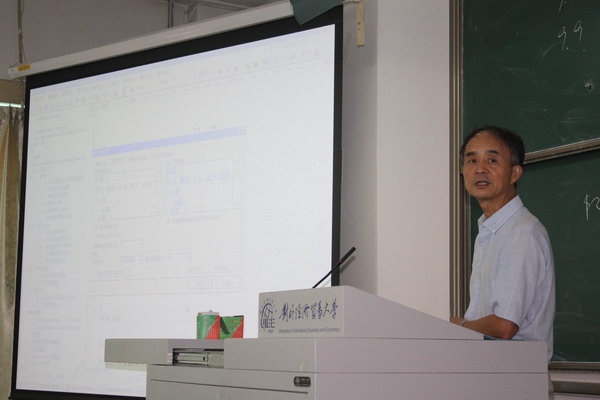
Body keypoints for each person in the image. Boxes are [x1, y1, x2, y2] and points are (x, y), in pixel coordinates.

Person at [451, 125, 555, 385]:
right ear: (462, 171)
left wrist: (458, 327)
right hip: (490, 376)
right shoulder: (491, 230)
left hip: (514, 381)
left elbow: (504, 326)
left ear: (514, 173)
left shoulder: (522, 233)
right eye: (471, 160)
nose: (480, 169)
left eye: (492, 160)